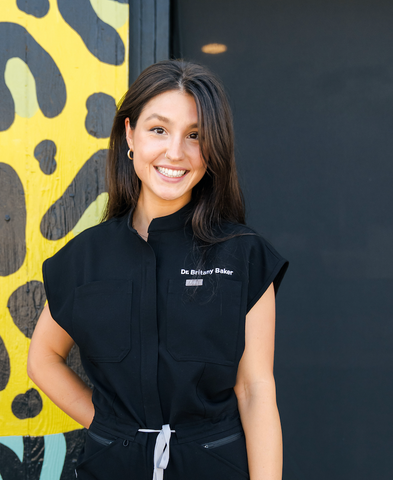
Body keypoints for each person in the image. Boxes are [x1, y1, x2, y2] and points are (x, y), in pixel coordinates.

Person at [28, 59, 288, 480]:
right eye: (158, 130)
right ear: (129, 133)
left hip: (215, 466)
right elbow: (43, 360)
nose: (175, 152)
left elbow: (255, 390)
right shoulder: (84, 257)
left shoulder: (245, 255)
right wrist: (110, 429)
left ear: (213, 149)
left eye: (195, 136)